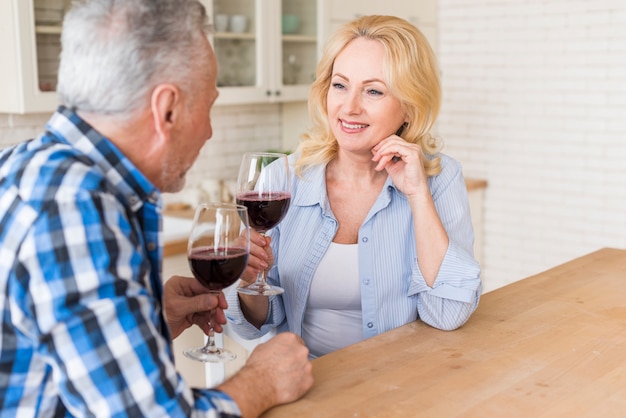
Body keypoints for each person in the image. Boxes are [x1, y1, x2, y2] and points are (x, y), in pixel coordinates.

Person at [0, 0, 312, 416]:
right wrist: (264, 380)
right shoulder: (76, 208)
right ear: (167, 109)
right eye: (209, 105)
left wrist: (146, 316)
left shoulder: (21, 165)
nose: (209, 130)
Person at [227, 15, 483, 359]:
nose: (349, 107)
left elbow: (447, 314)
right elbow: (255, 324)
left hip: (398, 383)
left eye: (373, 91)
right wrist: (246, 280)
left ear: (409, 107)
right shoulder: (282, 180)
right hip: (306, 385)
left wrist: (417, 195)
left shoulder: (439, 179)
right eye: (340, 85)